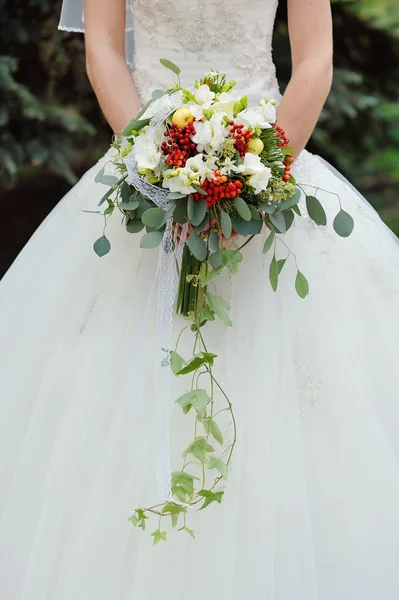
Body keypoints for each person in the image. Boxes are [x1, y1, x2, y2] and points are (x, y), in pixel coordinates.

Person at [1, 0, 399, 598]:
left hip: (268, 165)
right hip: (150, 170)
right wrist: (158, 173)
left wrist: (262, 179)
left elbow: (315, 60)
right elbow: (103, 49)